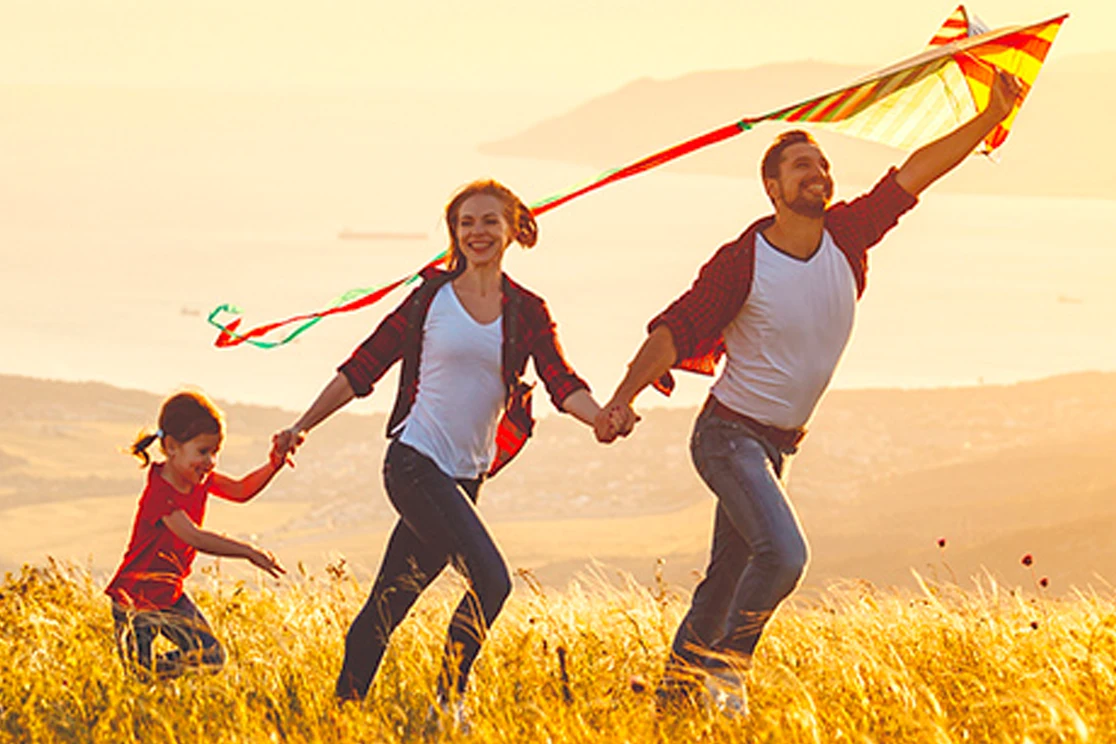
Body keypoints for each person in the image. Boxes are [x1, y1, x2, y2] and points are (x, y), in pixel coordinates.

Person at [595, 71, 1025, 713]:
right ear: (772, 188)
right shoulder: (743, 260)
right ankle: (727, 673)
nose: (817, 173)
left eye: (822, 165)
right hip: (726, 438)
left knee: (723, 583)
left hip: (775, 448)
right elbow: (675, 329)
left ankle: (672, 708)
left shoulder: (848, 235)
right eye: (801, 166)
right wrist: (622, 397)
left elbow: (919, 172)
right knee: (785, 555)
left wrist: (991, 114)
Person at [270, 179, 606, 724]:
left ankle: (338, 716)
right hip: (412, 462)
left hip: (465, 479)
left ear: (513, 228)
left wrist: (603, 418)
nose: (477, 231)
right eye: (466, 222)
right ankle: (447, 705)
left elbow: (561, 382)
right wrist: (301, 425)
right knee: (493, 581)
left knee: (389, 601)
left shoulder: (526, 310)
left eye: (489, 221)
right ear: (454, 232)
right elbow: (363, 367)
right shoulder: (430, 298)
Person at [105, 390, 287, 679]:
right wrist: (248, 552)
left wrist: (274, 464)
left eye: (215, 452)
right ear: (171, 447)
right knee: (139, 675)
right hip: (134, 600)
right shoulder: (160, 493)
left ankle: (149, 681)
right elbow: (194, 537)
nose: (211, 461)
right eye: (203, 452)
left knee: (210, 657)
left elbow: (240, 491)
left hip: (168, 594)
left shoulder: (199, 480)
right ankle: (143, 682)